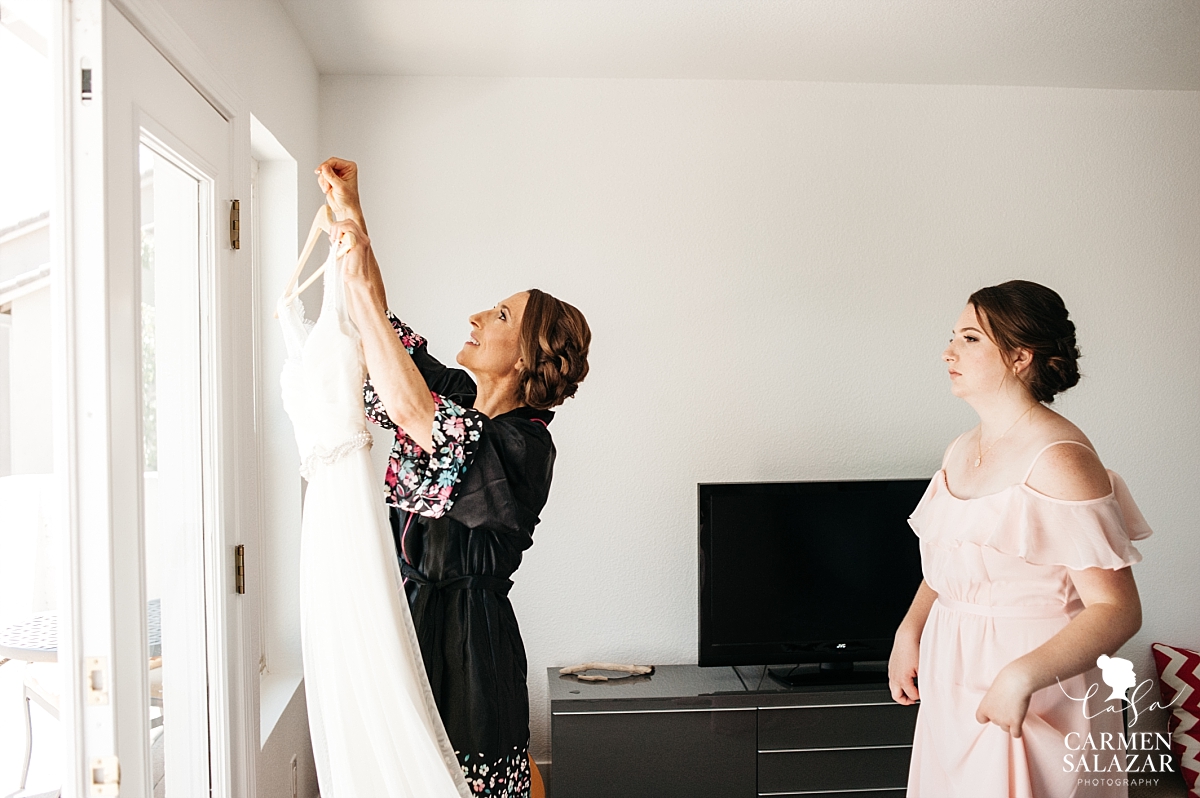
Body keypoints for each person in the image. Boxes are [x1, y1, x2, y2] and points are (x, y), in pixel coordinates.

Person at [316, 157, 591, 798]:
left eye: (496, 315)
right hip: (405, 618)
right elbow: (385, 333)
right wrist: (354, 216)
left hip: (470, 651)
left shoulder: (524, 446)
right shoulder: (458, 400)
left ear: (526, 357)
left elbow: (413, 412)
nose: (474, 316)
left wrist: (356, 274)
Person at [889, 280, 1152, 798]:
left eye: (969, 339)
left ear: (1019, 356)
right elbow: (953, 564)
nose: (948, 352)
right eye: (953, 337)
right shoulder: (961, 450)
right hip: (953, 675)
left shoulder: (1061, 459)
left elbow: (1117, 609)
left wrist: (1020, 677)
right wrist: (909, 628)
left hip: (1036, 686)